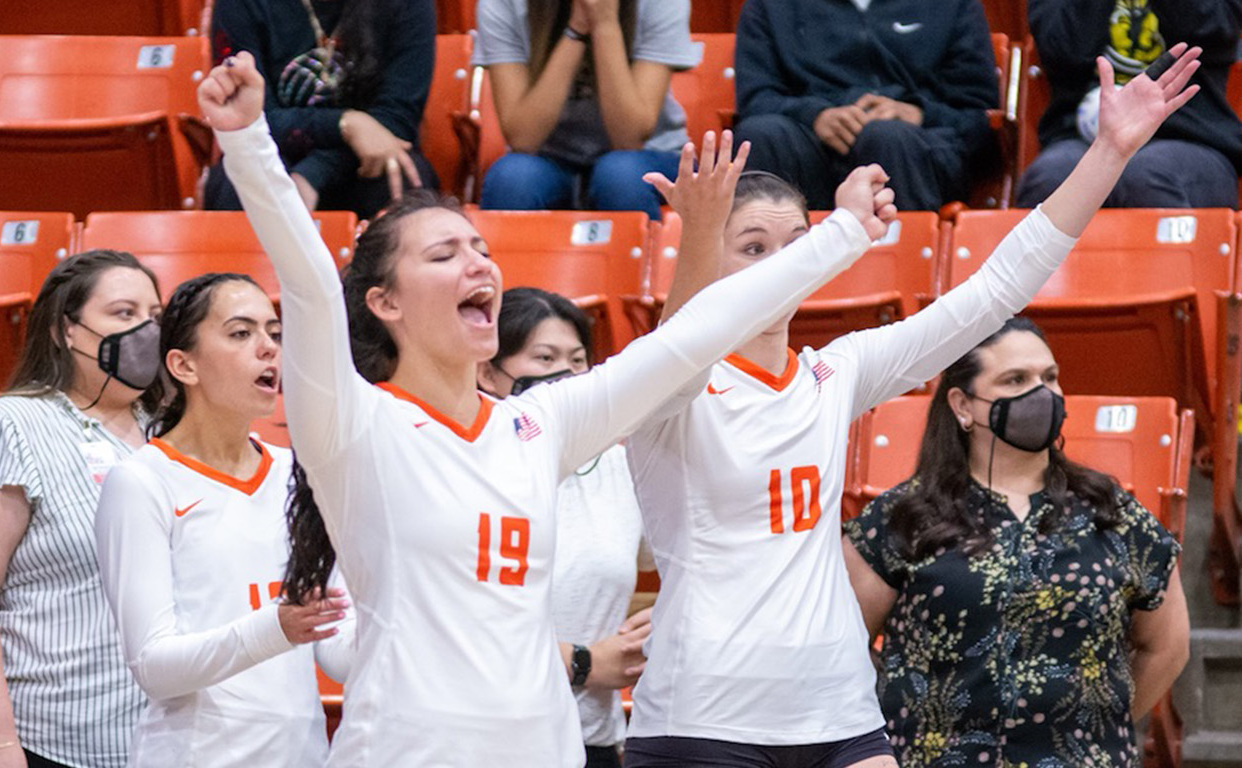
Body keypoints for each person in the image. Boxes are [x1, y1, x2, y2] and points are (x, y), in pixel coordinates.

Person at [200, 50, 897, 765]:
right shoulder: (354, 422)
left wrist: (841, 234)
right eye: (444, 255)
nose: (478, 264)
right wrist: (248, 140)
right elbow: (311, 284)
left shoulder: (542, 424)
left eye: (480, 248)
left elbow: (691, 341)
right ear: (385, 303)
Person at [618, 44, 1202, 768]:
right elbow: (678, 349)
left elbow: (994, 291)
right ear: (708, 253)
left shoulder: (835, 373)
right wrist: (701, 241)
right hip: (702, 717)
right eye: (751, 248)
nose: (778, 269)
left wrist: (1109, 152)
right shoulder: (658, 384)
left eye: (794, 245)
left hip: (837, 714)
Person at [842, 317, 1190, 766]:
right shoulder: (903, 518)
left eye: (1049, 378)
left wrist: (1091, 726)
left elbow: (1167, 646)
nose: (1041, 393)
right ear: (963, 405)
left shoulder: (1112, 514)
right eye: (1015, 380)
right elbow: (842, 652)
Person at [94, 272, 356, 767]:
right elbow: (154, 667)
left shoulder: (299, 473)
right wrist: (275, 627)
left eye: (274, 334)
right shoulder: (141, 482)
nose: (269, 350)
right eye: (241, 333)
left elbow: (335, 651)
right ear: (183, 365)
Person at [0, 249, 163, 768]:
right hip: (46, 740)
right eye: (124, 314)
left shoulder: (170, 433)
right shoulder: (7, 426)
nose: (146, 331)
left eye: (155, 316)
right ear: (65, 330)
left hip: (162, 741)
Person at [476, 286, 654, 768]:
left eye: (578, 360)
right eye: (545, 357)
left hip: (589, 742)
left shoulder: (621, 469)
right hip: (483, 742)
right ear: (488, 372)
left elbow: (697, 558)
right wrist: (583, 663)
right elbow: (457, 624)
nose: (568, 375)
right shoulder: (467, 469)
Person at [733, 0, 999, 211]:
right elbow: (755, 100)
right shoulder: (767, 5)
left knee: (887, 136)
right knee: (762, 134)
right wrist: (815, 116)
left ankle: (900, 270)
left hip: (916, 146)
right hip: (807, 144)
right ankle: (771, 272)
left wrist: (917, 113)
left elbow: (978, 116)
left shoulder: (955, 5)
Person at [205, 0, 438, 218]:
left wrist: (314, 173)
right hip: (276, 150)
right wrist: (345, 124)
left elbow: (398, 118)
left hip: (364, 160)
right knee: (242, 180)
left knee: (402, 177)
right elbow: (250, 117)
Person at [473, 0, 700, 220]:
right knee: (512, 177)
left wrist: (605, 23)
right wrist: (577, 29)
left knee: (618, 175)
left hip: (648, 155)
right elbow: (523, 138)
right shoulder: (503, 3)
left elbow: (628, 138)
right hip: (549, 160)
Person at [1015, 0, 1242, 208]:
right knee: (1051, 179)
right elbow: (1062, 48)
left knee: (1146, 177)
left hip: (1190, 135)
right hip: (1083, 137)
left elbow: (1211, 29)